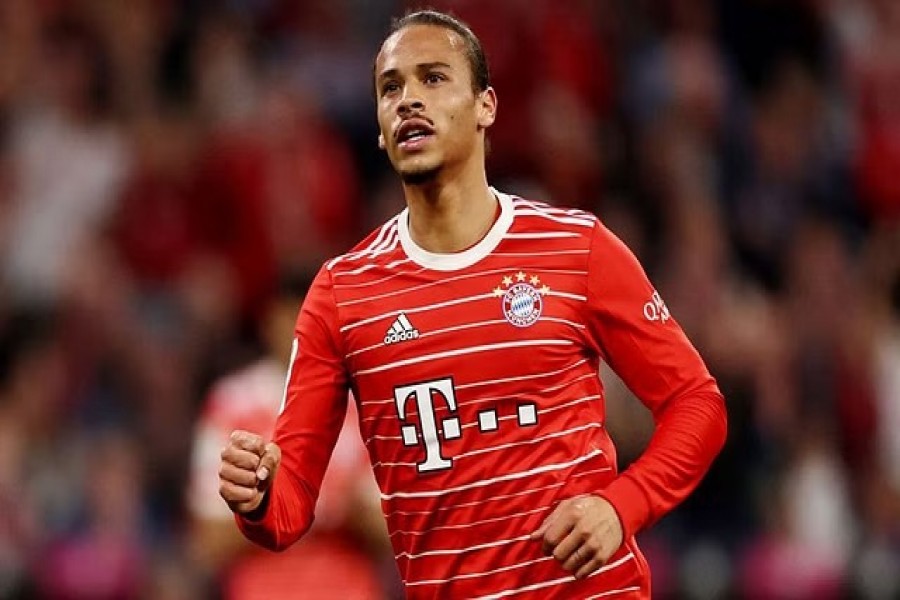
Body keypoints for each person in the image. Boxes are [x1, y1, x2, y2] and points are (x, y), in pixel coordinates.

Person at [219, 9, 727, 599]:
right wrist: (256, 497)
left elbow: (698, 403)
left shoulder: (577, 248)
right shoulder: (342, 293)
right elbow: (289, 506)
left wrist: (623, 506)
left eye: (433, 79)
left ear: (486, 106)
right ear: (381, 130)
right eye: (392, 87)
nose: (409, 99)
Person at [192, 273, 396, 599]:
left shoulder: (363, 400)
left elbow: (395, 533)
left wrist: (335, 507)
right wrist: (284, 507)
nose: (304, 329)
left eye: (318, 317)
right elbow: (209, 539)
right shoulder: (231, 404)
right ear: (268, 320)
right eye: (295, 315)